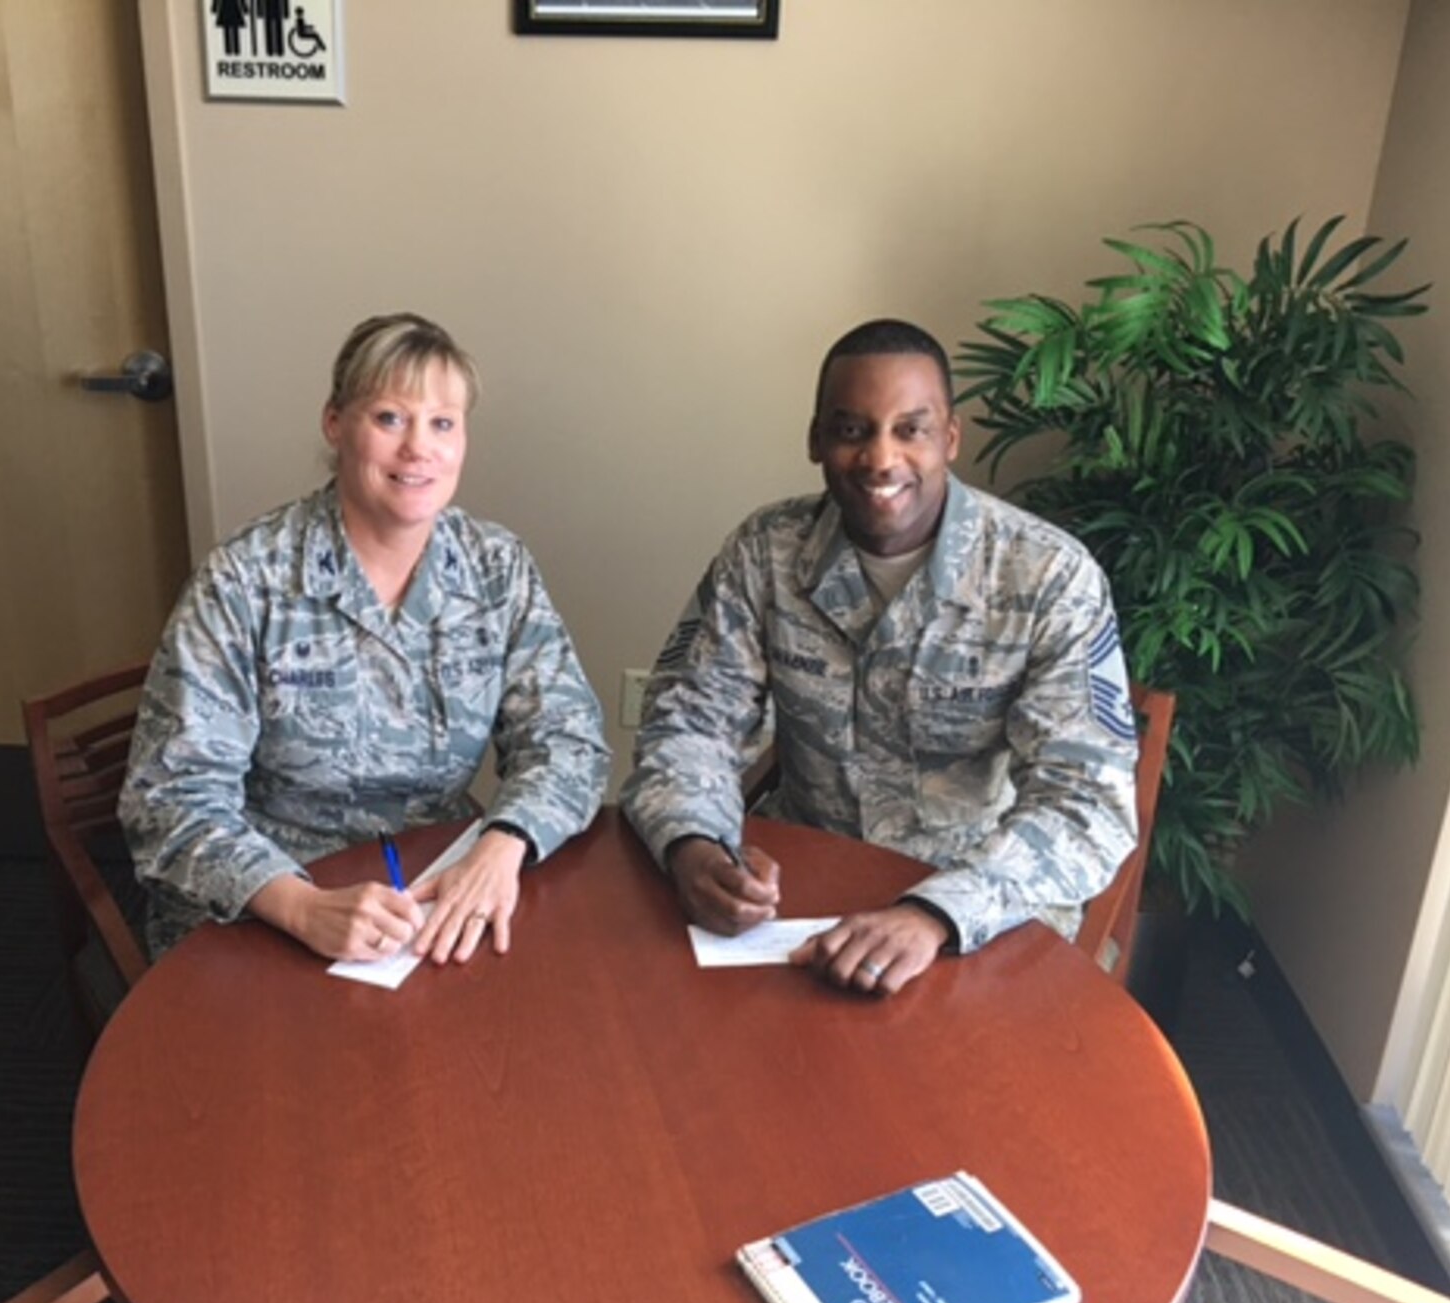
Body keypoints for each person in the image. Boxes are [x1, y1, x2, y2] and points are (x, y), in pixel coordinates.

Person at [621, 318, 1137, 998]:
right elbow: (689, 724)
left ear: (951, 438)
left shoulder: (1047, 576)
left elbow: (1087, 804)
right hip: (803, 885)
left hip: (982, 905)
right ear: (816, 439)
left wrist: (935, 912)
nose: (880, 459)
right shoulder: (766, 550)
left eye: (911, 429)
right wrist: (693, 842)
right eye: (852, 430)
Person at [122, 313, 610, 967]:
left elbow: (569, 742)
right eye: (389, 418)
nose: (419, 449)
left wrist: (503, 844)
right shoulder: (248, 579)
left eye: (442, 423)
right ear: (335, 422)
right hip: (267, 899)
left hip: (440, 883)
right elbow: (168, 798)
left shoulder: (496, 567)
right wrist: (297, 905)